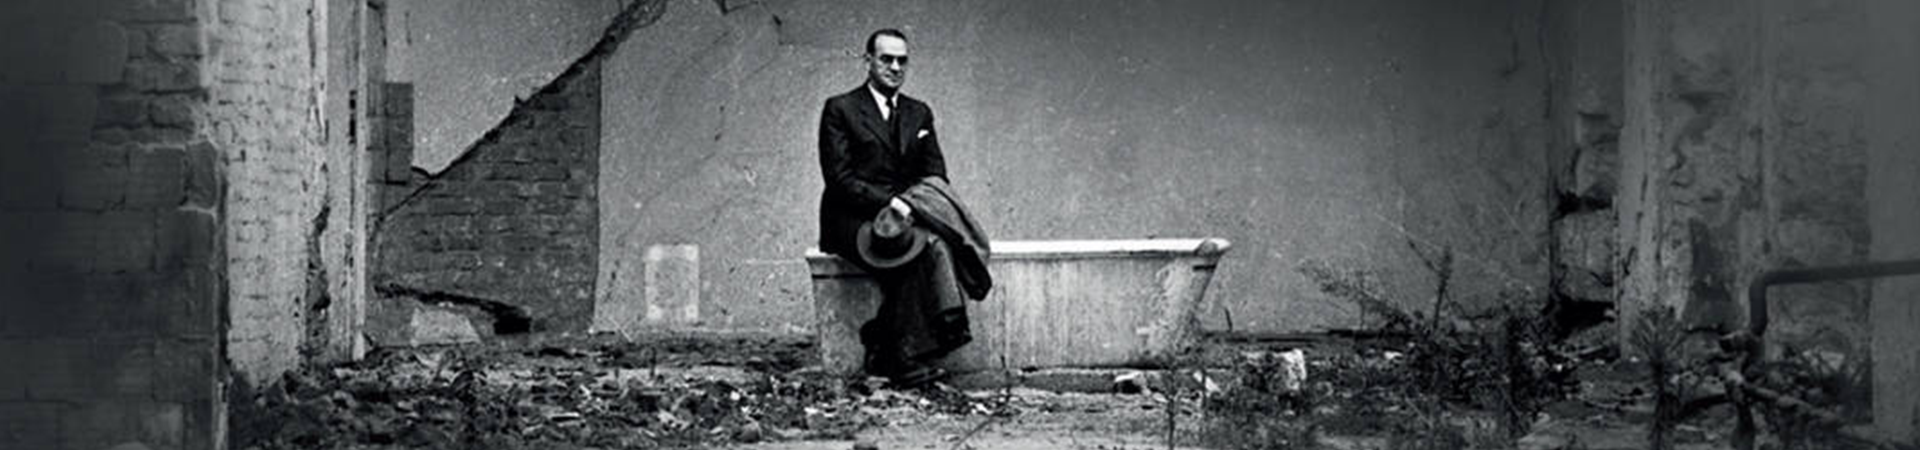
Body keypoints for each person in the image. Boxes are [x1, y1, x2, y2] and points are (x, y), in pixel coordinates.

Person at [816, 28, 991, 389]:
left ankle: (886, 343)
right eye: (886, 59)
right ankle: (901, 357)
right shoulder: (841, 108)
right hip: (852, 217)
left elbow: (935, 173)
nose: (895, 67)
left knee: (934, 246)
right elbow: (839, 178)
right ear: (868, 61)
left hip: (906, 215)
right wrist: (889, 203)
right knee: (906, 254)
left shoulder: (918, 112)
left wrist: (912, 206)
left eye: (902, 61)